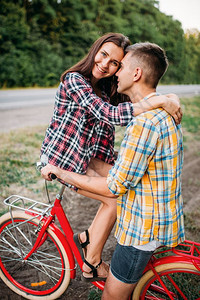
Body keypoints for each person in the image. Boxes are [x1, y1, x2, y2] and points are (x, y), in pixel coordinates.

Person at [41, 42, 185, 298]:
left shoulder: (108, 86)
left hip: (90, 156)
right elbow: (108, 113)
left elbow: (138, 98)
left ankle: (89, 248)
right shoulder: (75, 80)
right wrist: (164, 99)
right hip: (66, 158)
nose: (108, 66)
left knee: (117, 195)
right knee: (113, 197)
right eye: (103, 55)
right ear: (95, 50)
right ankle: (91, 260)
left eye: (117, 64)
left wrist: (170, 97)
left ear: (129, 70)